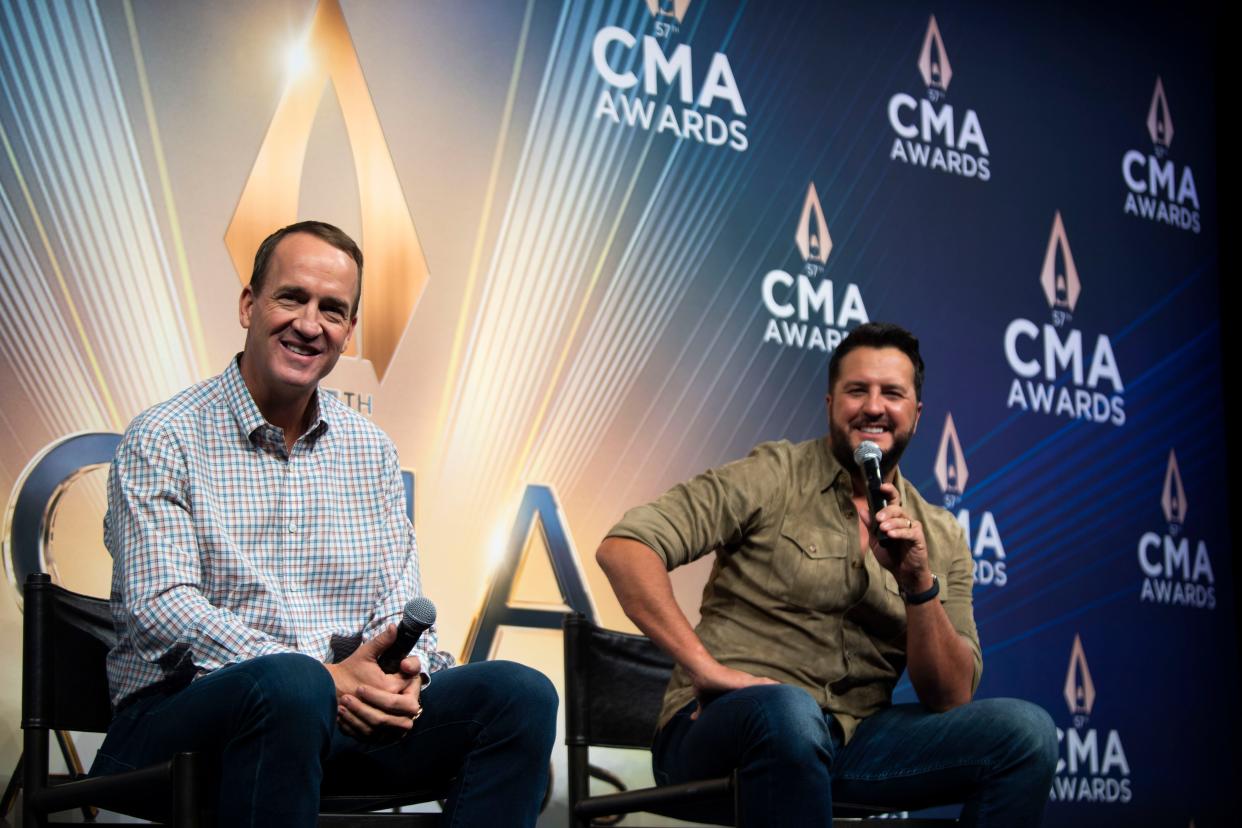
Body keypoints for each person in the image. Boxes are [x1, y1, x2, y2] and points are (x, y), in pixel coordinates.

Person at [93, 220, 557, 826]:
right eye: (292, 297)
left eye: (333, 310)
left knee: (521, 696)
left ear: (349, 333)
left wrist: (404, 679)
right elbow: (160, 608)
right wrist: (324, 678)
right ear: (248, 304)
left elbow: (396, 605)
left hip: (333, 720)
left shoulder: (371, 451)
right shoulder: (165, 436)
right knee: (291, 685)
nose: (310, 325)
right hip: (176, 722)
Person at [596, 322, 1056, 826]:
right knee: (790, 713)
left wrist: (917, 585)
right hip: (722, 727)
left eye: (892, 393)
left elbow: (949, 697)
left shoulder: (940, 534)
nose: (874, 407)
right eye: (857, 390)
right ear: (831, 402)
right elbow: (626, 548)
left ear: (916, 415)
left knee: (1025, 733)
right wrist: (704, 667)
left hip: (854, 741)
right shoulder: (774, 474)